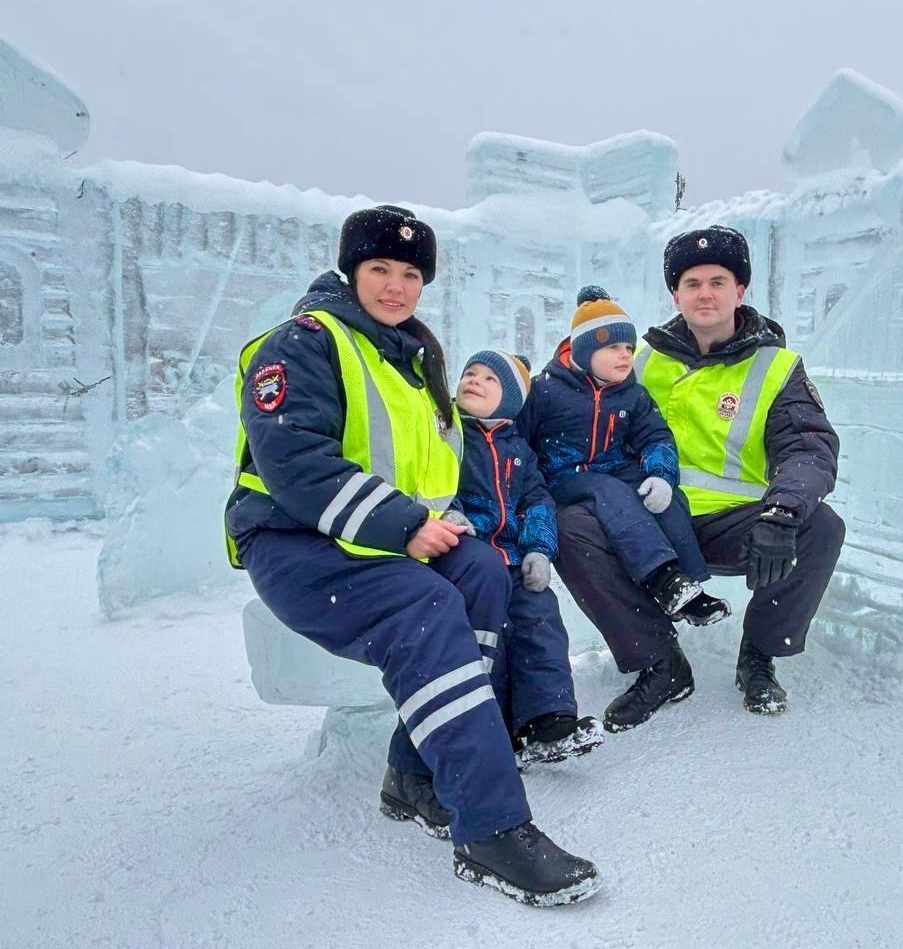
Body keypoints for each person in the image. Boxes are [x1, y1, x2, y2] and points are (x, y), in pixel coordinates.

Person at [224, 204, 600, 906]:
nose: (395, 286)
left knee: (486, 571)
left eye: (409, 274)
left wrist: (456, 523)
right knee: (424, 603)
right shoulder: (305, 343)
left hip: (374, 538)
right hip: (296, 540)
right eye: (379, 270)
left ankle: (413, 774)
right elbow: (295, 464)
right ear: (351, 271)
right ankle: (490, 826)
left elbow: (438, 471)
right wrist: (404, 527)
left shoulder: (411, 359)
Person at [555, 225, 844, 730]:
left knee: (822, 527)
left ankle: (758, 655)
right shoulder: (640, 360)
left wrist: (784, 510)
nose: (705, 293)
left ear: (740, 290)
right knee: (569, 525)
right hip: (647, 520)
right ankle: (660, 662)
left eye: (718, 281)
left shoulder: (777, 368)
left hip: (733, 525)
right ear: (675, 294)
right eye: (692, 283)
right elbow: (577, 411)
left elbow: (809, 446)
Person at [517, 289, 731, 635]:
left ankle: (689, 586)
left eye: (629, 348)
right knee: (611, 491)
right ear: (586, 351)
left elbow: (656, 437)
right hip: (561, 474)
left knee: (667, 497)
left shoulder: (632, 394)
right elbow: (518, 440)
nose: (625, 356)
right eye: (613, 348)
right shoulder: (546, 391)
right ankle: (661, 577)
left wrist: (661, 475)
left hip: (614, 466)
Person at [446, 348, 604, 767]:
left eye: (489, 379)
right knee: (489, 637)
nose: (474, 381)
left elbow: (536, 500)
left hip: (514, 560)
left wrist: (538, 549)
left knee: (541, 625)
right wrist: (449, 513)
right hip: (470, 561)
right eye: (470, 373)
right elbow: (432, 481)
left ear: (511, 401)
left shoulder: (519, 451)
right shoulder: (448, 435)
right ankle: (494, 727)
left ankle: (547, 721)